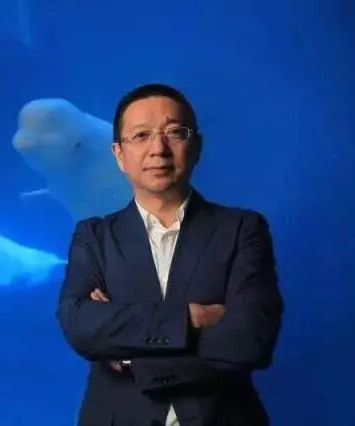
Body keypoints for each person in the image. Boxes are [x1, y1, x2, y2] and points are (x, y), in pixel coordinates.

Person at [56, 83, 283, 426]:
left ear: (197, 146)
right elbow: (80, 327)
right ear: (118, 153)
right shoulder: (93, 236)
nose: (158, 149)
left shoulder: (242, 229)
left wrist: (130, 357)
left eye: (175, 132)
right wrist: (193, 317)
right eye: (141, 135)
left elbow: (250, 341)